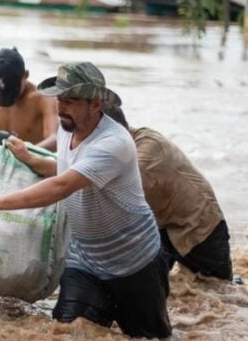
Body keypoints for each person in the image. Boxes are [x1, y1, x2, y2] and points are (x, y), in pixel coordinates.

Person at [0, 62, 172, 339]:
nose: (61, 107)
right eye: (59, 99)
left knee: (149, 337)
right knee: (67, 331)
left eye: (70, 100)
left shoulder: (113, 143)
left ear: (96, 104)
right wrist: (31, 158)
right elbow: (66, 168)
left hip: (134, 262)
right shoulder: (67, 128)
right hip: (85, 260)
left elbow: (62, 186)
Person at [100, 103, 234, 281]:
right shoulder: (124, 146)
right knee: (167, 291)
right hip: (162, 230)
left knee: (220, 289)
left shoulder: (148, 149)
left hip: (199, 227)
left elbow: (108, 188)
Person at [0, 47, 58, 150]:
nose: (5, 96)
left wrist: (25, 152)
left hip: (31, 158)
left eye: (11, 90)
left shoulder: (44, 100)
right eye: (0, 92)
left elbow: (55, 140)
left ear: (25, 75)